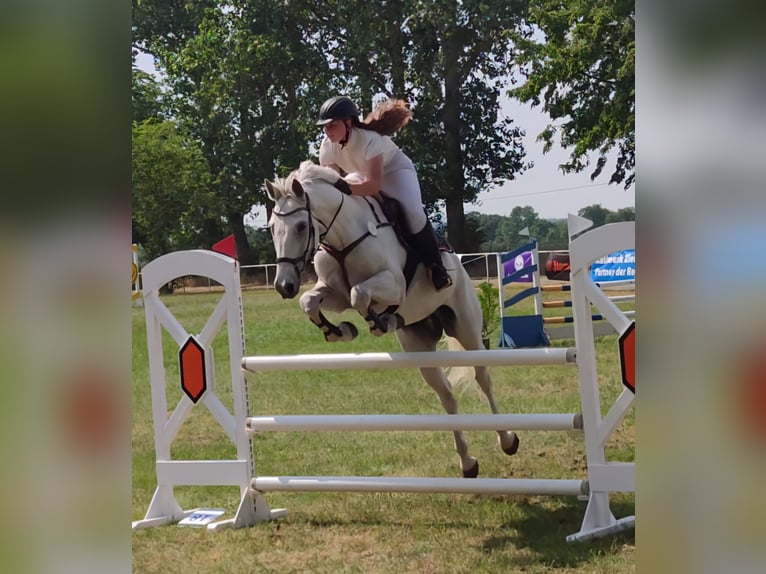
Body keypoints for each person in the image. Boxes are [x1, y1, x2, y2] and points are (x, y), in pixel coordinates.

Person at [316, 95, 452, 290]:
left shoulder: (370, 140)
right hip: (362, 175)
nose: (327, 130)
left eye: (332, 125)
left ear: (348, 123)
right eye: (325, 126)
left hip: (395, 172)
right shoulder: (327, 146)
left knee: (412, 211)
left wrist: (343, 188)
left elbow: (372, 186)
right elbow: (334, 184)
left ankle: (436, 265)